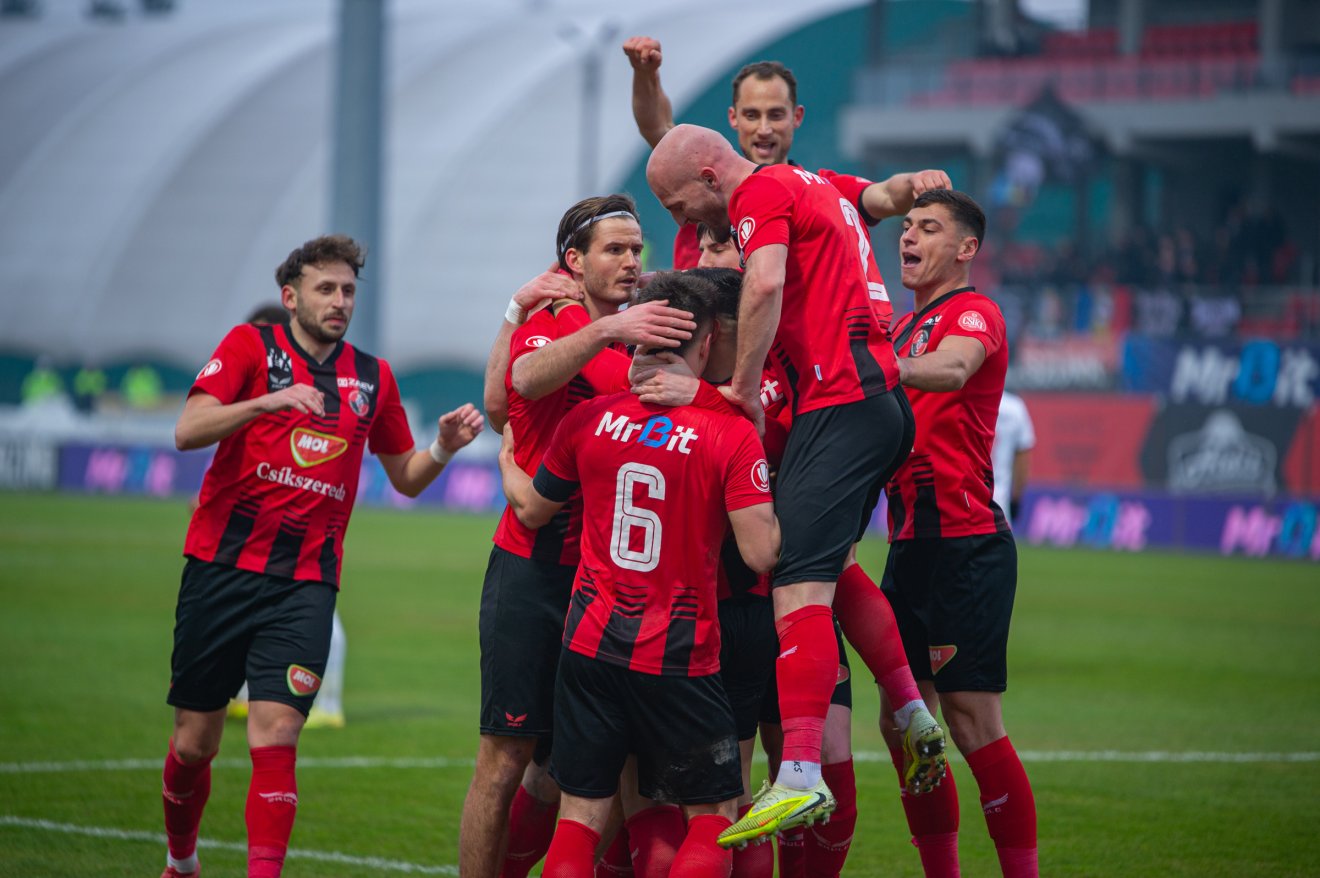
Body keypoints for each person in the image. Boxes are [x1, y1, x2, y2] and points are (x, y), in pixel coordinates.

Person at [646, 125, 939, 849]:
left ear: (710, 177)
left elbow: (768, 279)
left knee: (796, 584)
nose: (687, 226)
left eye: (680, 207)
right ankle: (909, 710)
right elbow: (877, 202)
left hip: (842, 400)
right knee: (832, 566)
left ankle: (801, 772)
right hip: (876, 399)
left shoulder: (761, 192)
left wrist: (740, 389)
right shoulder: (812, 183)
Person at [157, 234, 485, 878]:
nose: (340, 302)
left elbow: (406, 477)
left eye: (348, 291)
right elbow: (187, 430)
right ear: (291, 297)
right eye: (326, 289)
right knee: (194, 744)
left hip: (305, 584)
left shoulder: (373, 377)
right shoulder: (249, 347)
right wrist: (264, 402)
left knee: (277, 736)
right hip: (220, 571)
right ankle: (182, 861)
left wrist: (443, 448)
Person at [499, 271, 780, 878]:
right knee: (713, 815)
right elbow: (761, 554)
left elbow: (534, 508)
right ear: (708, 343)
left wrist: (505, 464)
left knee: (580, 817)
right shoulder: (728, 430)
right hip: (680, 656)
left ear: (634, 339)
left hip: (589, 647)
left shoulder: (588, 419)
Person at [459, 195, 697, 878]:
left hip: (610, 579)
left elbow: (504, 412)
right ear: (574, 261)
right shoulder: (557, 320)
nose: (630, 261)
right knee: (505, 757)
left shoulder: (638, 333)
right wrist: (588, 325)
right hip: (533, 570)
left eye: (636, 249)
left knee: (596, 763)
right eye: (614, 250)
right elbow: (524, 382)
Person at [880, 189, 1039, 877]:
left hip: (965, 545)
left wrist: (879, 368)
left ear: (967, 248)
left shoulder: (975, 313)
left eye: (929, 228)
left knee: (972, 721)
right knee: (904, 724)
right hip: (908, 546)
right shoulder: (897, 329)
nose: (909, 237)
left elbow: (951, 369)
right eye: (907, 226)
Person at [622, 35, 950, 269]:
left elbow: (887, 195)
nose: (764, 128)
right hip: (696, 333)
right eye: (752, 115)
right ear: (734, 118)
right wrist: (645, 75)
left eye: (776, 115)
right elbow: (659, 128)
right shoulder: (699, 175)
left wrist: (916, 182)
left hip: (766, 340)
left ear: (797, 117)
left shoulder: (820, 190)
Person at [226, 302, 350, 730]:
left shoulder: (313, 393)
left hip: (303, 539)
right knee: (250, 618)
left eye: (262, 336)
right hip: (251, 538)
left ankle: (326, 704)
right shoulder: (255, 396)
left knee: (320, 620)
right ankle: (245, 694)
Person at [993, 391, 1035, 526]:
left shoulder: (965, 400)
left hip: (965, 497)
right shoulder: (1015, 408)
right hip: (998, 500)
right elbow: (1023, 459)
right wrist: (1016, 499)